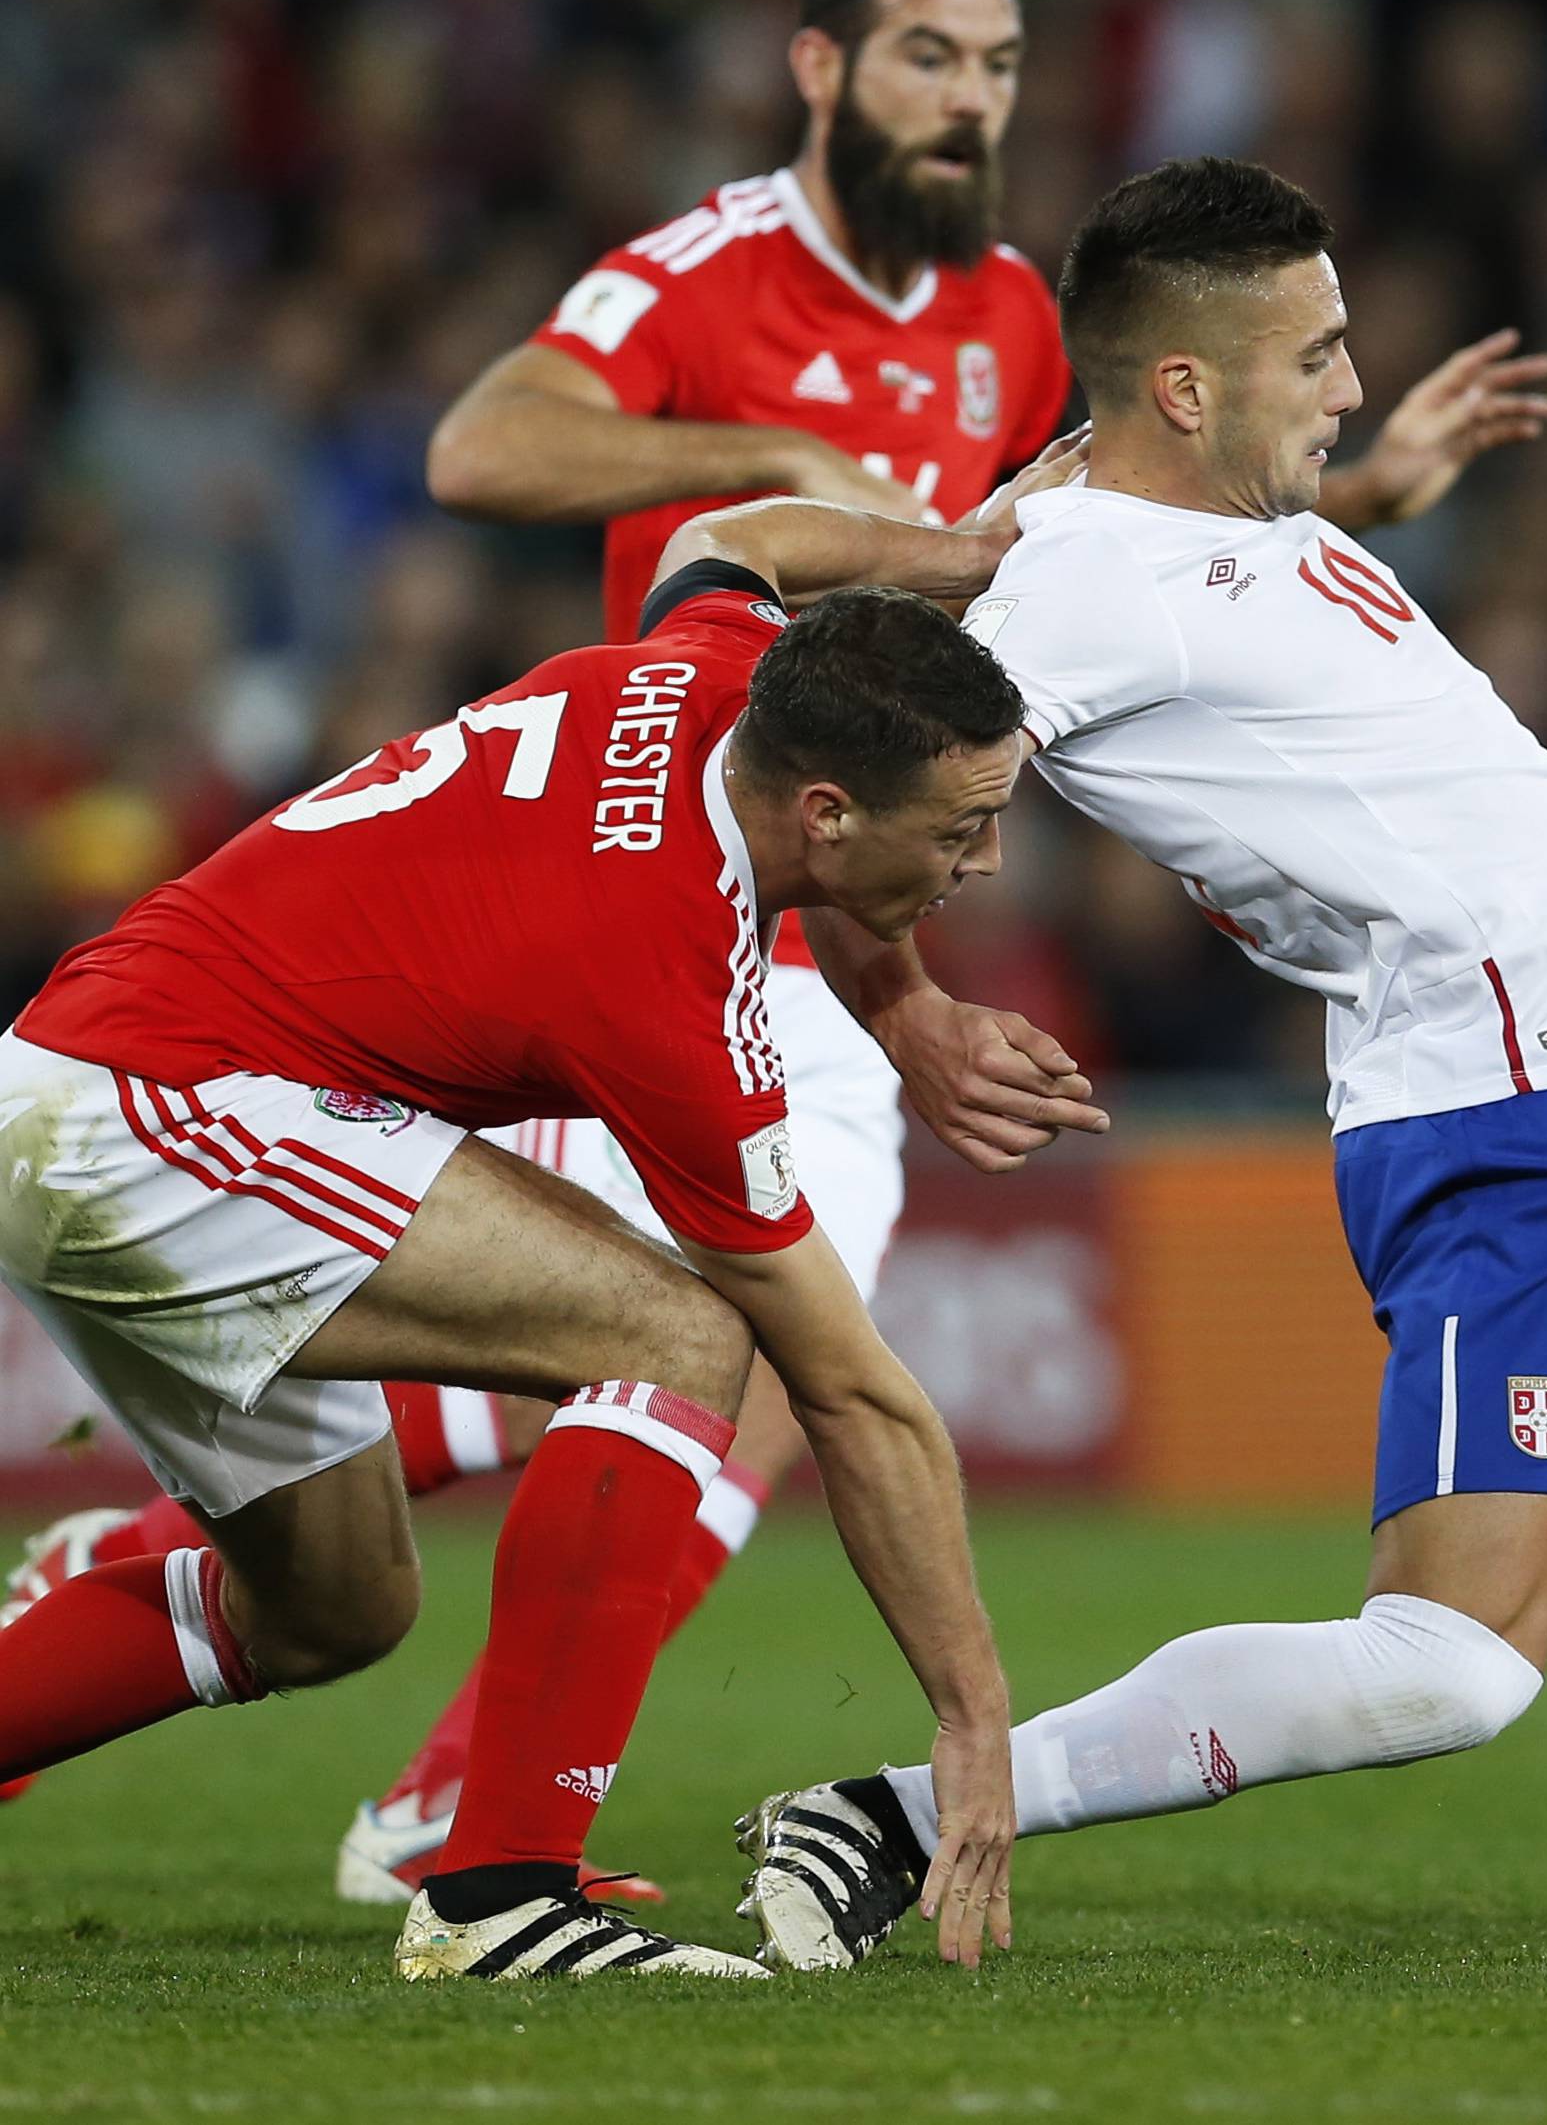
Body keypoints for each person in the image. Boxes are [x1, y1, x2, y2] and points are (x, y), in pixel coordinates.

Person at [3, 0, 1547, 1894]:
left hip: (751, 885)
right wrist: (771, 462)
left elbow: (1046, 545)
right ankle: (473, 1843)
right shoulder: (703, 269)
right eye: (929, 53)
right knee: (719, 1342)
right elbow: (492, 451)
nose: (968, 100)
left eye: (999, 62)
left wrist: (1353, 488)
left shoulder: (1007, 312)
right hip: (633, 905)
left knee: (543, 1444)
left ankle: (321, 1697)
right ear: (824, 64)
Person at [709, 156, 1547, 1972]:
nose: (1350, 382)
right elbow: (843, 799)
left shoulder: (1177, 518)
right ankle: (882, 1816)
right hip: (1516, 1145)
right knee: (1450, 1668)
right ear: (1185, 388)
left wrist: (1391, 477)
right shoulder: (1070, 590)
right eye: (1321, 355)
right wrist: (907, 1005)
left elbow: (1208, 573)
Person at [0, 477, 1077, 1982]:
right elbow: (846, 1386)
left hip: (105, 1083)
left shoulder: (713, 667)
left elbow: (737, 537)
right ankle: (502, 1891)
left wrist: (958, 555)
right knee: (689, 1332)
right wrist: (972, 1718)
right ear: (825, 815)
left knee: (333, 1605)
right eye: (967, 824)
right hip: (149, 1111)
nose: (988, 864)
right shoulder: (659, 957)